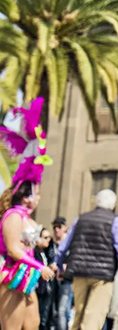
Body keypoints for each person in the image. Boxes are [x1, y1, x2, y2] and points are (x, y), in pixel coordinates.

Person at [0, 98, 55, 330]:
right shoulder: (13, 215)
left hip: (27, 277)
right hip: (11, 275)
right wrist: (38, 266)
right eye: (37, 192)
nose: (39, 197)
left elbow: (29, 244)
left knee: (33, 324)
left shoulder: (26, 218)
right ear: (26, 194)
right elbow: (13, 248)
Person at [55, 189, 118, 330]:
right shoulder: (114, 221)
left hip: (79, 271)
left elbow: (64, 245)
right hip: (102, 276)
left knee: (79, 314)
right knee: (93, 316)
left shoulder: (81, 219)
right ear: (113, 205)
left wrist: (59, 266)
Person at [51, 217, 73, 330]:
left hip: (66, 280)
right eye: (54, 227)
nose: (56, 230)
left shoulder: (70, 243)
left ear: (65, 228)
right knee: (55, 310)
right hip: (52, 281)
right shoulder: (51, 243)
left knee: (62, 311)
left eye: (59, 227)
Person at [34, 227, 57, 330]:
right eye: (45, 237)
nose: (48, 240)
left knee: (44, 317)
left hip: (47, 290)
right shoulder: (34, 252)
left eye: (49, 238)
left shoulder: (48, 253)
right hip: (37, 289)